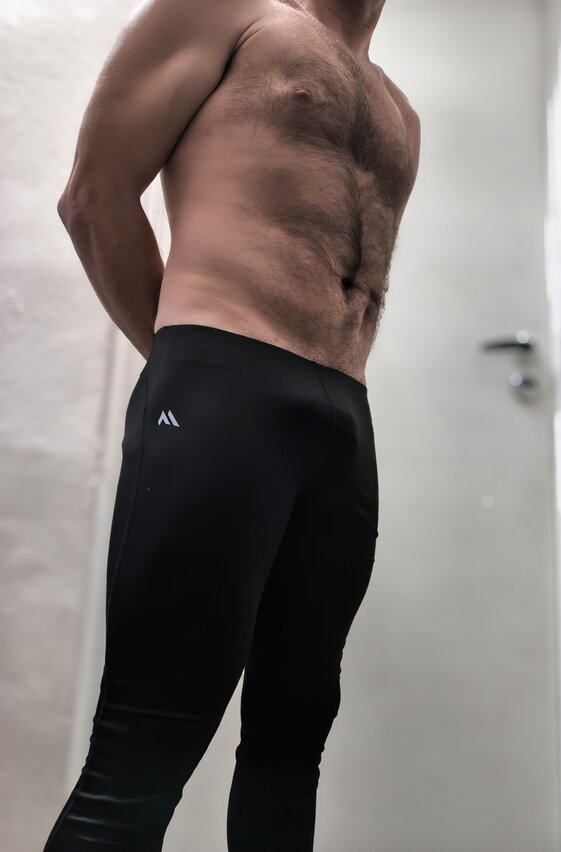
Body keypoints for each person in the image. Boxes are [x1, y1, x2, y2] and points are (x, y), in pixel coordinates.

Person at [46, 0, 421, 848]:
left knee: (293, 747)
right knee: (147, 740)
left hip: (343, 424)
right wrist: (199, 368)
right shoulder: (225, 13)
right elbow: (92, 197)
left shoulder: (401, 113)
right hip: (224, 381)